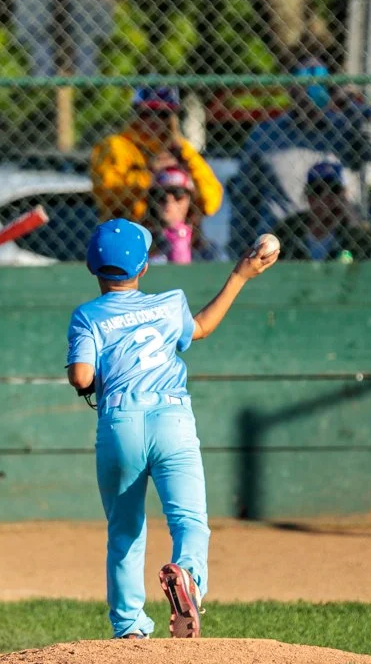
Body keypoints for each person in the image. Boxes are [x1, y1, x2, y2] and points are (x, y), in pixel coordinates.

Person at [65, 219, 277, 639]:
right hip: (172, 421)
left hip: (120, 424)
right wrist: (240, 275)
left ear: (92, 267)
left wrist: (95, 375)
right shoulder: (169, 303)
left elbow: (81, 376)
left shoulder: (86, 315)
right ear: (144, 267)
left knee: (125, 529)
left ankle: (129, 626)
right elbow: (201, 328)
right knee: (190, 521)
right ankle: (190, 581)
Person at [233, 60, 371, 244]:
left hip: (342, 246)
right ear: (290, 88)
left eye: (318, 82)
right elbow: (245, 201)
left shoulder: (348, 128)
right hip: (281, 249)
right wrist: (239, 250)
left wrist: (349, 103)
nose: (308, 91)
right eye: (303, 83)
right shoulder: (266, 135)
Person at [91, 86, 223, 225]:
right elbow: (107, 195)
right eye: (147, 113)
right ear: (136, 113)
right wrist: (149, 174)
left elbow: (210, 203)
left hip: (174, 235)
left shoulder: (181, 148)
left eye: (163, 113)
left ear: (172, 117)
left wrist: (186, 167)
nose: (154, 119)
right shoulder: (115, 145)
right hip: (127, 232)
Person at [272, 161, 371, 261]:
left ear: (343, 194)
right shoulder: (290, 228)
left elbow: (368, 258)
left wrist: (352, 217)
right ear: (308, 196)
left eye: (334, 189)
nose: (325, 197)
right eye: (318, 190)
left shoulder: (351, 230)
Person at [148, 166, 219, 264]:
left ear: (190, 200)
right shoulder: (142, 242)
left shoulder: (205, 249)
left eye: (177, 194)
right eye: (161, 195)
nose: (169, 201)